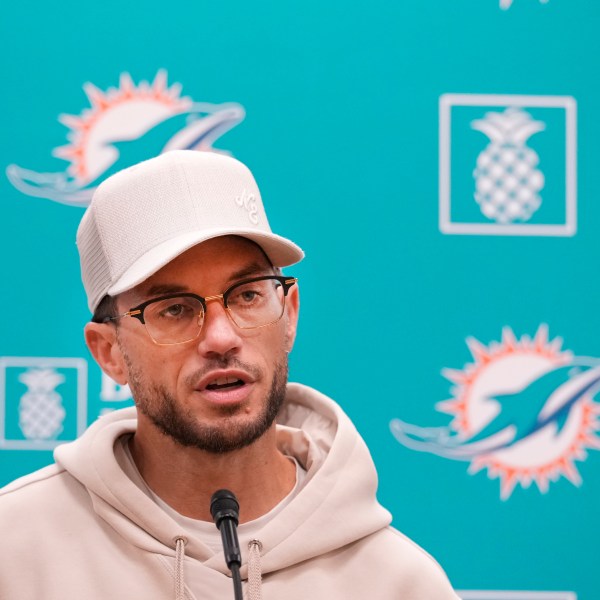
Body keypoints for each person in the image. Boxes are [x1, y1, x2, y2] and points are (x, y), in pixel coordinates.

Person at [0, 150, 459, 599]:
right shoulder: (15, 552)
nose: (221, 338)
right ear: (109, 352)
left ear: (290, 313)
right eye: (174, 309)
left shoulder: (399, 583)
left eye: (246, 295)